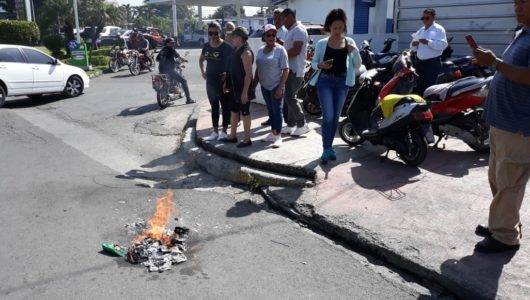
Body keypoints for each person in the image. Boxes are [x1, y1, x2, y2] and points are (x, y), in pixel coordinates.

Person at [472, 0, 530, 253]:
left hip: (519, 125)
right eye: (516, 2)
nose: (517, 8)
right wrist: (489, 61)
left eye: (524, 3)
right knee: (498, 177)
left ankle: (505, 237)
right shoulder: (523, 33)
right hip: (502, 122)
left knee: (509, 182)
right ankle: (503, 224)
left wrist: (494, 62)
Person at [310, 9, 361, 164]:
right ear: (329, 28)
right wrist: (320, 65)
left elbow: (357, 65)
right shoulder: (321, 43)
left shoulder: (349, 43)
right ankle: (326, 149)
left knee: (336, 118)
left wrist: (354, 52)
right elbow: (313, 64)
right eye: (335, 28)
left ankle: (329, 147)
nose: (338, 31)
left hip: (342, 83)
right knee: (329, 116)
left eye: (340, 28)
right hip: (324, 81)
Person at [253, 24, 289, 148]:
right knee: (271, 110)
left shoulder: (280, 50)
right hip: (264, 86)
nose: (271, 37)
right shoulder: (260, 50)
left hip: (276, 86)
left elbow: (286, 70)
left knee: (277, 111)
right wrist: (254, 83)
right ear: (264, 36)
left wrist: (280, 87)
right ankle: (273, 133)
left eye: (274, 34)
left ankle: (278, 136)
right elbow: (258, 68)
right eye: (268, 34)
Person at [199, 22, 234, 141]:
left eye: (215, 33)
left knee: (225, 106)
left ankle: (224, 131)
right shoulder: (206, 46)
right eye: (210, 33)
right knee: (214, 106)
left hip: (223, 82)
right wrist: (202, 71)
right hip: (210, 81)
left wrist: (227, 76)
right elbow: (201, 59)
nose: (213, 35)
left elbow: (232, 64)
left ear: (220, 32)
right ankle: (215, 131)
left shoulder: (227, 47)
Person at [221, 27, 255, 148]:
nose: (232, 39)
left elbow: (249, 74)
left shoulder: (246, 52)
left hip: (242, 89)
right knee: (234, 111)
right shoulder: (236, 49)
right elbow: (231, 68)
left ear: (240, 38)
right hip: (234, 88)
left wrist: (245, 92)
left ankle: (247, 139)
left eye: (234, 37)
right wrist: (226, 83)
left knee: (245, 112)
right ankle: (232, 136)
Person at [281, 8, 310, 137]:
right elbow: (289, 47)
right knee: (289, 97)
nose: (282, 22)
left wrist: (281, 56)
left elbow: (296, 50)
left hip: (295, 70)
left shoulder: (298, 29)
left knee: (290, 97)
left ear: (291, 17)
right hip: (291, 70)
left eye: (283, 18)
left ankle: (302, 124)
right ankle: (291, 125)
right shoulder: (291, 30)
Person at [410, 8, 447, 95]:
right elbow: (412, 46)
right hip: (420, 63)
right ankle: (419, 106)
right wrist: (414, 44)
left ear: (434, 18)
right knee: (419, 87)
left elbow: (443, 45)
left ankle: (429, 107)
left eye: (427, 18)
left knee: (429, 88)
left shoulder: (439, 29)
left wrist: (428, 42)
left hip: (432, 64)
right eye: (423, 18)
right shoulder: (421, 30)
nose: (424, 20)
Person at [156, 38, 195, 104]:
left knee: (167, 81)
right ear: (167, 43)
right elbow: (179, 57)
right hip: (169, 70)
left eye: (173, 42)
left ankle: (168, 94)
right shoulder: (171, 49)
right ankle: (188, 99)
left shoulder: (162, 50)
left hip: (161, 69)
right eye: (171, 43)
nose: (172, 44)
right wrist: (184, 60)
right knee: (184, 81)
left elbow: (157, 59)